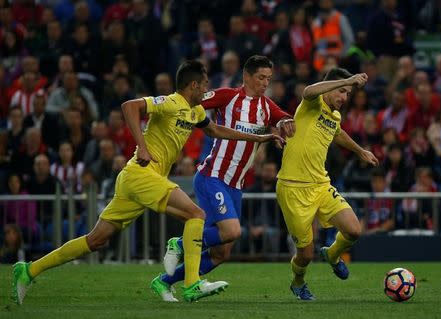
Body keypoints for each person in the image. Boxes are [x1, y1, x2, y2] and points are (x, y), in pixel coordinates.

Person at [12, 60, 284, 305]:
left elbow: (215, 130)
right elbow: (129, 106)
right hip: (142, 174)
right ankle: (191, 284)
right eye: (203, 86)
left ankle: (29, 270)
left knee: (96, 240)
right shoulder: (170, 102)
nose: (206, 91)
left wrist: (260, 139)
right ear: (192, 85)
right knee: (195, 214)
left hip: (135, 181)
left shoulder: (195, 111)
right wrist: (140, 146)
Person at [153, 55, 295, 300]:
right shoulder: (227, 96)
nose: (264, 83)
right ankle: (179, 243)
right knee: (231, 231)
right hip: (213, 176)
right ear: (247, 76)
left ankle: (164, 282)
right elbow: (191, 100)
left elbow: (282, 115)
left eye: (268, 79)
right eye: (260, 77)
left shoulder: (266, 106)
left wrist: (286, 121)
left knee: (221, 253)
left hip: (235, 186)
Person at [276, 68, 378, 300]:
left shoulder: (334, 116)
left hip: (320, 184)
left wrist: (360, 151)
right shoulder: (312, 104)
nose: (344, 97)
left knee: (353, 230)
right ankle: (298, 282)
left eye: (348, 94)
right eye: (341, 91)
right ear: (330, 87)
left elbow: (337, 133)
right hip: (292, 188)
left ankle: (332, 254)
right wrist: (348, 80)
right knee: (305, 255)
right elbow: (308, 90)